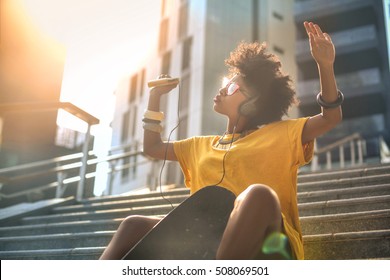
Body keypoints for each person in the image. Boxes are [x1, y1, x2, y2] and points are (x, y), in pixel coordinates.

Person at [99, 21, 343, 260]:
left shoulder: (282, 133)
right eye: (225, 84)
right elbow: (152, 147)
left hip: (268, 244)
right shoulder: (199, 146)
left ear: (253, 103)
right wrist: (154, 98)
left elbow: (330, 118)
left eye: (233, 88)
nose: (223, 90)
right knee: (133, 225)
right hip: (207, 240)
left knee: (258, 195)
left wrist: (325, 66)